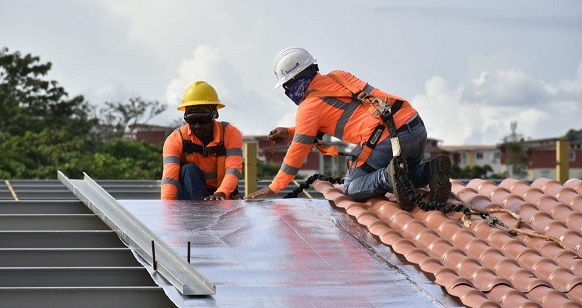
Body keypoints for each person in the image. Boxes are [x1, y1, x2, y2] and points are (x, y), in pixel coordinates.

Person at [244, 47, 451, 210]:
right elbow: (338, 113)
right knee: (406, 174)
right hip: (414, 126)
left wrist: (273, 188)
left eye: (287, 86)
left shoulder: (308, 108)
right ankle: (428, 171)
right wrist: (290, 133)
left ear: (294, 83)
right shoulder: (338, 76)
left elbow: (297, 153)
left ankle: (388, 175)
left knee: (353, 186)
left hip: (386, 140)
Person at [161, 81, 243, 201]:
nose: (198, 125)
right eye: (192, 120)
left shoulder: (230, 133)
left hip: (222, 197)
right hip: (190, 201)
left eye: (203, 119)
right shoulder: (175, 139)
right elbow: (169, 180)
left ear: (215, 113)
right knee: (188, 170)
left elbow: (233, 168)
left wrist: (221, 193)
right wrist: (167, 211)